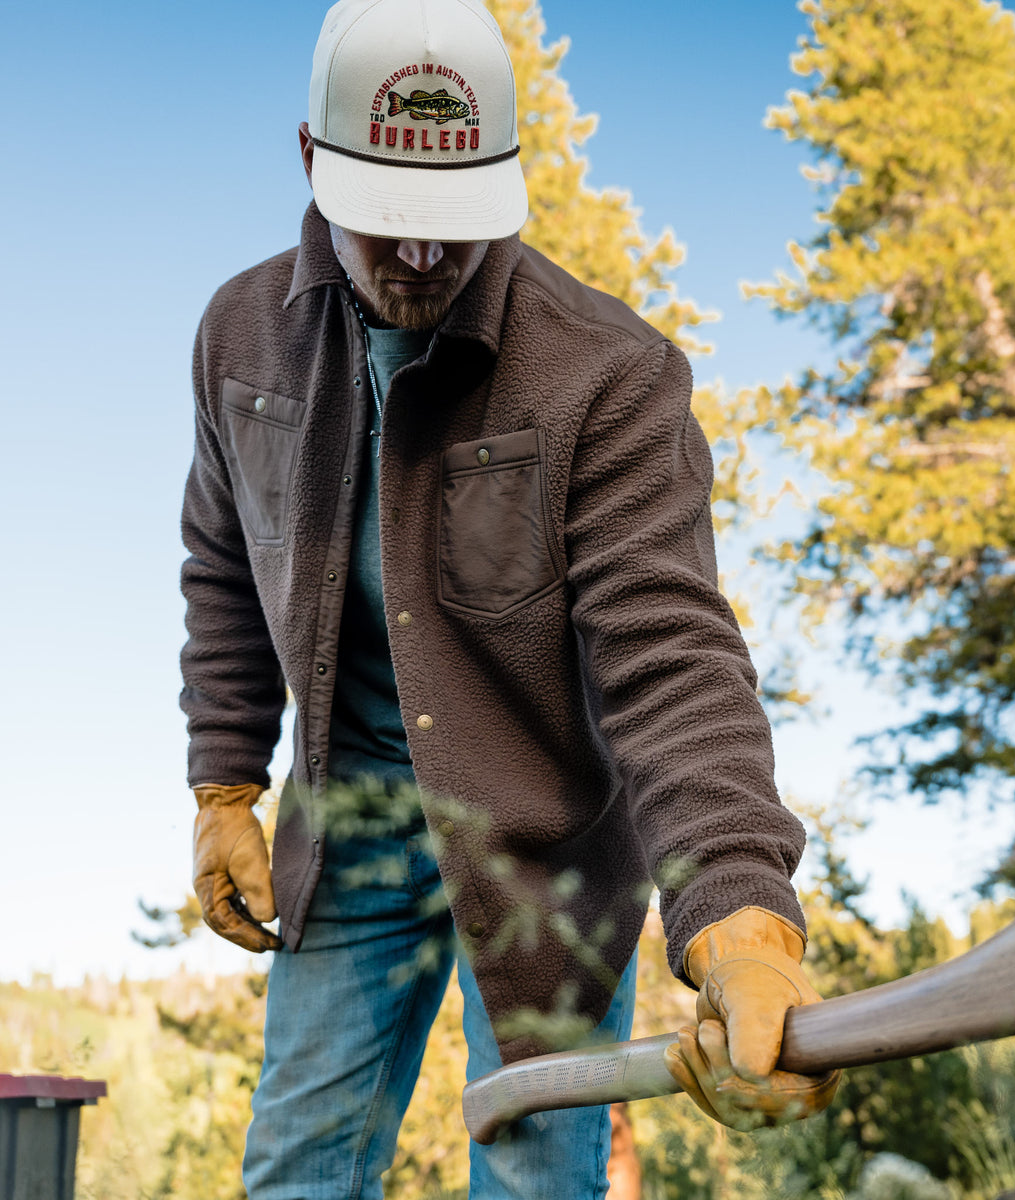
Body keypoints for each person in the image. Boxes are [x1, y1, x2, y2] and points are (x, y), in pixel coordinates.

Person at [180, 0, 839, 1196]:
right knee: (295, 1170)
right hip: (355, 822)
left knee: (540, 1175)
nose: (425, 258)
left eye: (455, 225)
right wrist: (225, 780)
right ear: (313, 162)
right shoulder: (238, 341)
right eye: (391, 226)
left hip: (547, 844)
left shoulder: (611, 376)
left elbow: (672, 653)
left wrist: (740, 914)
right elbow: (222, 562)